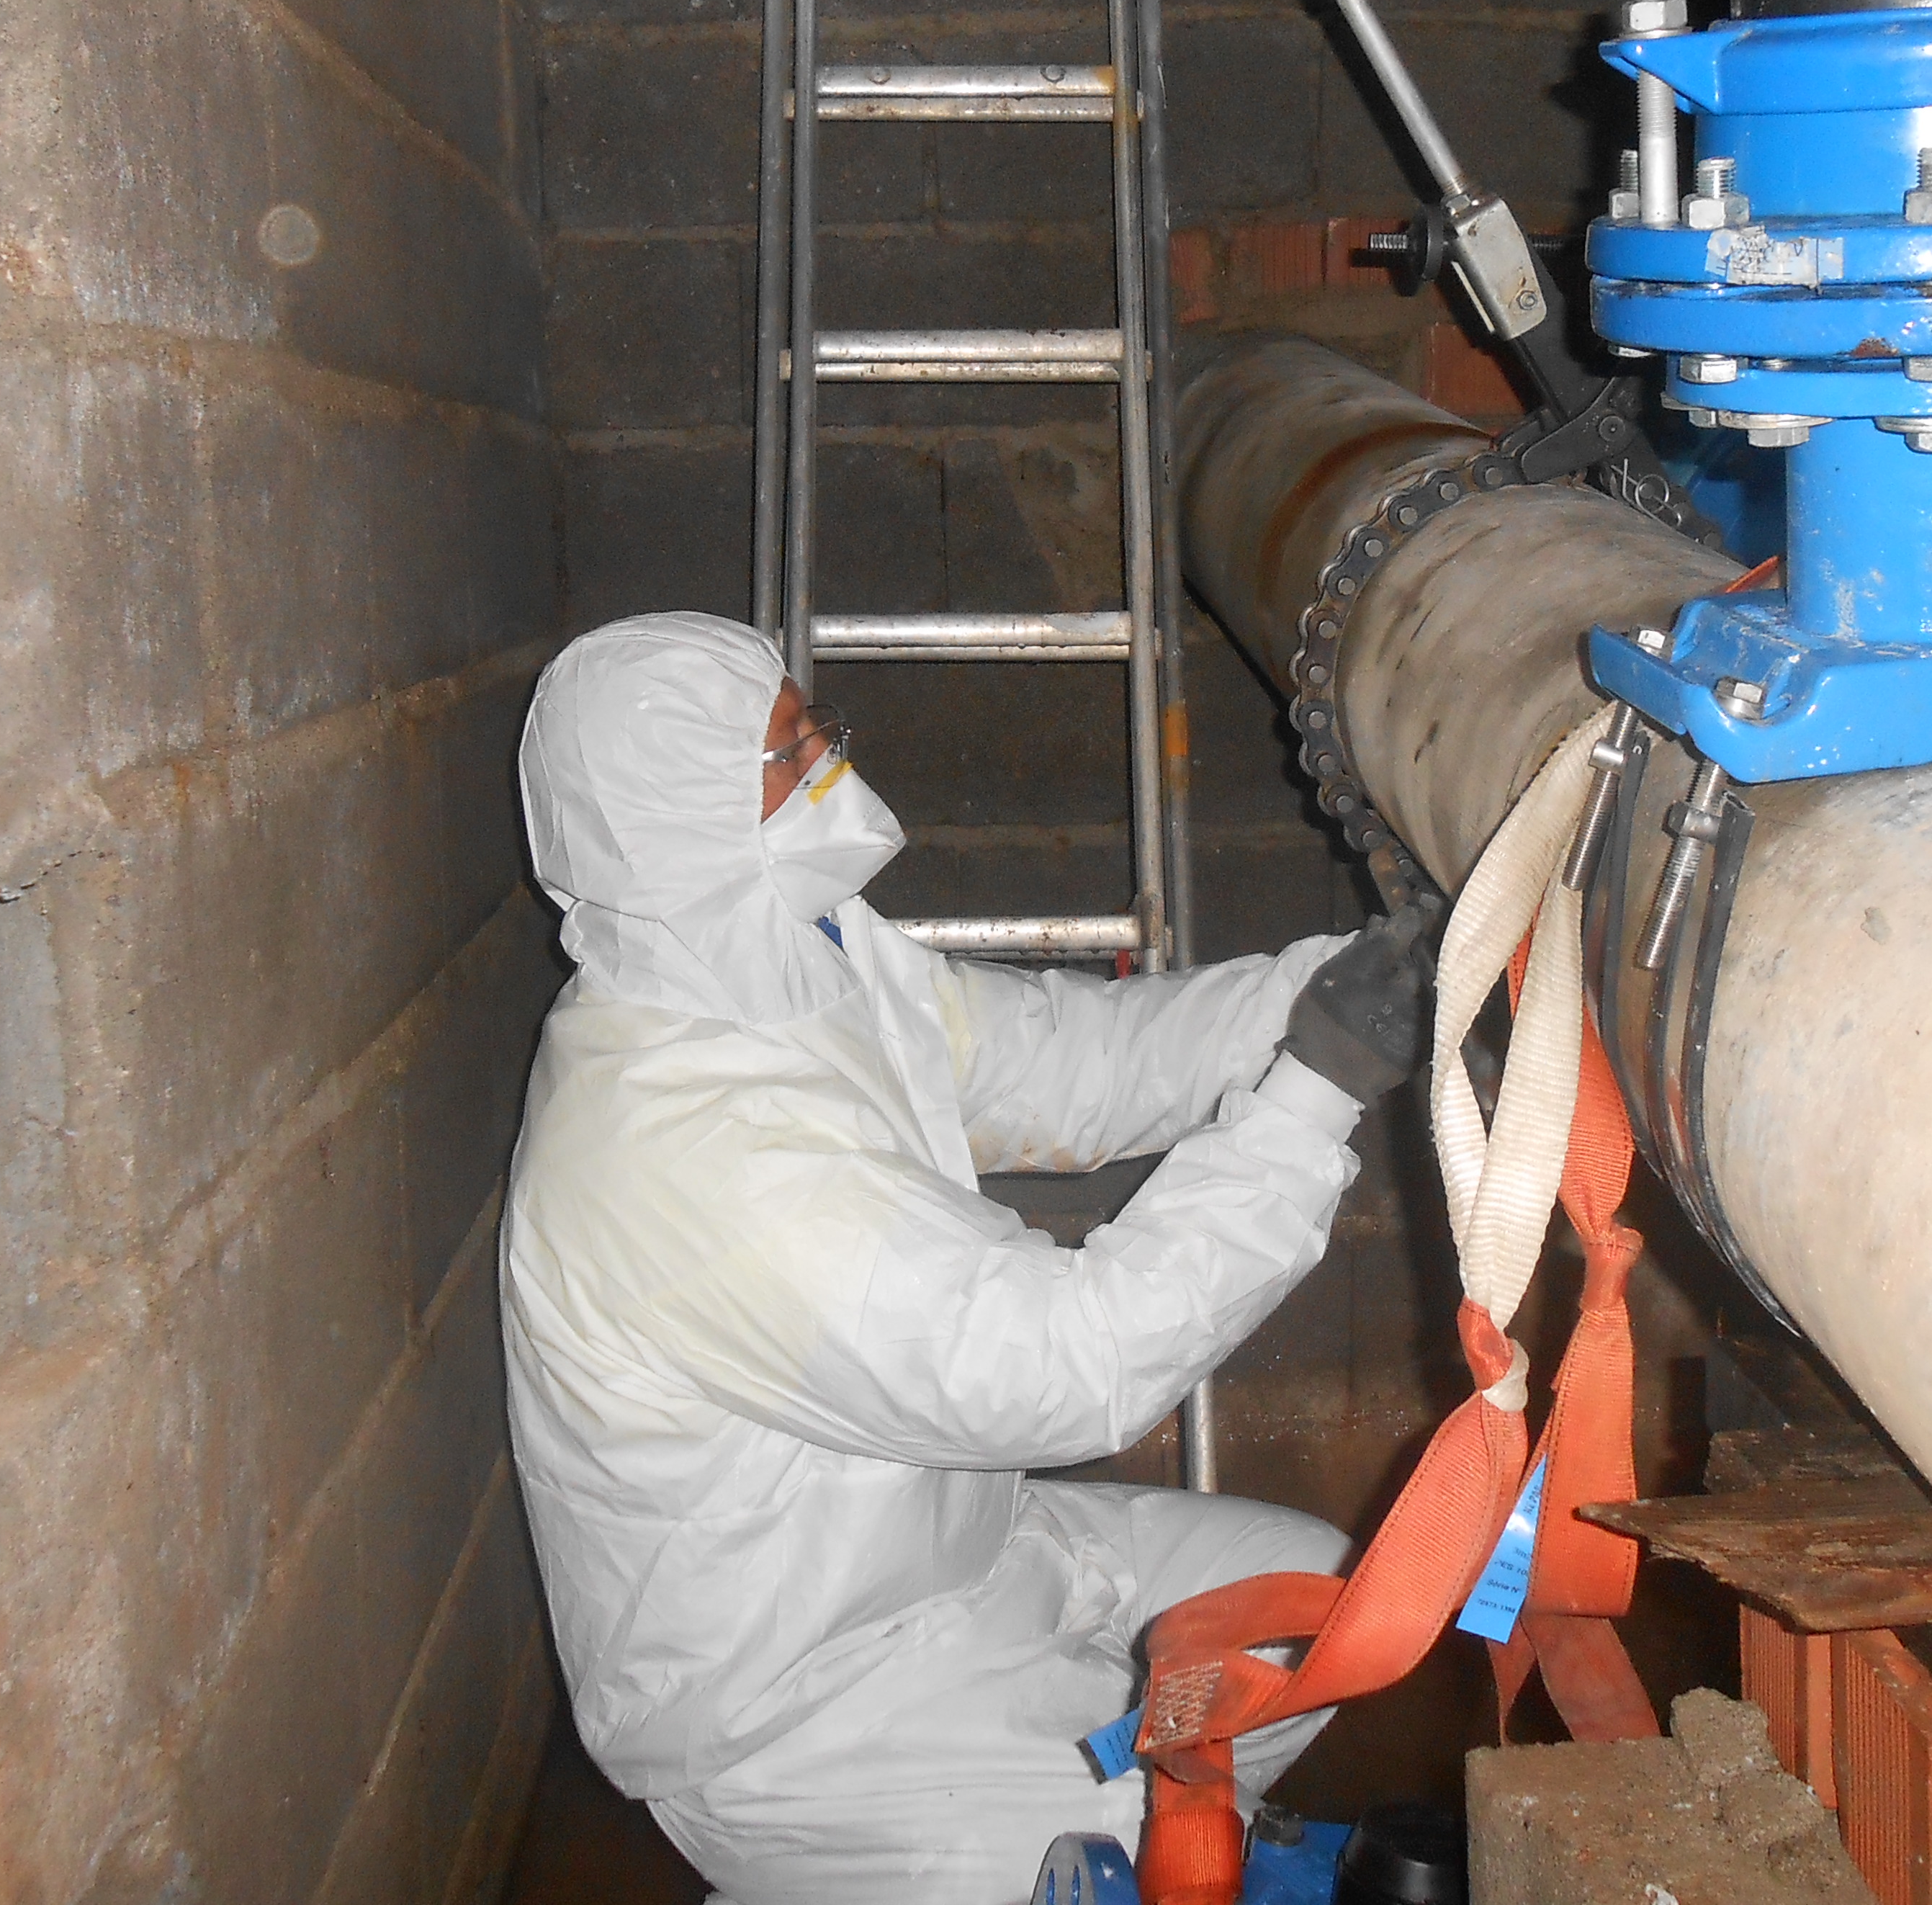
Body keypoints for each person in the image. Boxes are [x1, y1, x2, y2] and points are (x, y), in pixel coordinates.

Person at [503, 611, 1442, 1904]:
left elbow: (1066, 1063)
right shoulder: (678, 1147)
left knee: (1325, 1605)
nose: (833, 769)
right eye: (793, 753)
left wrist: (1329, 989)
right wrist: (1314, 1092)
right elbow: (1068, 1368)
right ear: (679, 819)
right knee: (1139, 1858)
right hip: (800, 1706)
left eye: (817, 730)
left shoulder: (800, 961)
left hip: (956, 1548)